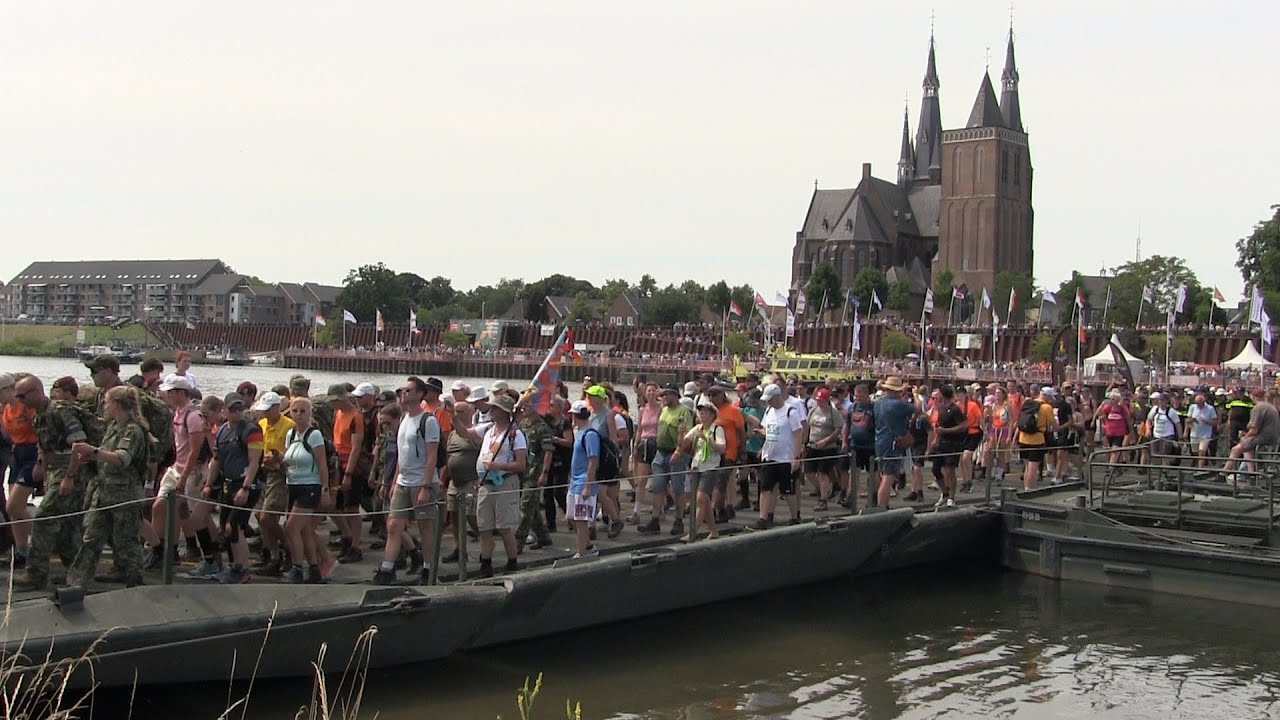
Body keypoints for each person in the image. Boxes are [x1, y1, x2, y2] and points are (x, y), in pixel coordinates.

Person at [65, 385, 149, 588]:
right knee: (91, 537)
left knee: (126, 541)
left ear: (117, 404)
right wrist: (89, 458)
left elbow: (122, 459)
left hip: (124, 495)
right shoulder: (113, 427)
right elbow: (105, 455)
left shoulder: (132, 431)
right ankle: (76, 582)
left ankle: (135, 582)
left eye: (107, 402)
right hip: (103, 493)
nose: (104, 405)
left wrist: (93, 451)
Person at [12, 376, 92, 591]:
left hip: (72, 468)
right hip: (55, 469)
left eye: (23, 395)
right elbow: (44, 443)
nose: (19, 400)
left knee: (44, 518)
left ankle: (36, 573)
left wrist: (70, 477)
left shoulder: (60, 411)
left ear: (37, 391)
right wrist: (41, 465)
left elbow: (79, 444)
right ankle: (75, 570)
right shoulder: (39, 415)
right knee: (65, 524)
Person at [374, 377, 442, 585]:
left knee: (425, 526)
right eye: (403, 390)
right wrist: (394, 481)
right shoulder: (403, 419)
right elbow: (402, 456)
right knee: (394, 524)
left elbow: (432, 456)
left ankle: (428, 568)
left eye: (409, 390)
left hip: (422, 481)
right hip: (404, 480)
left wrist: (425, 486)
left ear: (420, 394)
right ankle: (387, 568)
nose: (404, 393)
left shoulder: (428, 421)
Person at [453, 393, 525, 577]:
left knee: (504, 526)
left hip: (504, 482)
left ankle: (512, 561)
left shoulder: (515, 435)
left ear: (503, 412)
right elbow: (465, 433)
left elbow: (521, 464)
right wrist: (453, 416)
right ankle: (486, 563)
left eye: (494, 408)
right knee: (484, 525)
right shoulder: (488, 429)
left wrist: (498, 465)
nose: (490, 411)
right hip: (485, 483)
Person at [205, 392, 263, 584]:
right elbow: (216, 459)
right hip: (227, 484)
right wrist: (208, 484)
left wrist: (245, 488)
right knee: (225, 528)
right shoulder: (221, 431)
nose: (237, 412)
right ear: (225, 410)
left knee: (234, 526)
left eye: (240, 408)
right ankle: (234, 565)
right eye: (233, 409)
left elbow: (254, 461)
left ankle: (243, 568)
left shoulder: (251, 431)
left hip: (245, 484)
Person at [281, 397, 332, 583]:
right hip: (293, 484)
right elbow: (288, 459)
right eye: (295, 411)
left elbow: (322, 464)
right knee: (304, 530)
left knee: (291, 528)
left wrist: (325, 491)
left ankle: (297, 567)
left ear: (309, 413)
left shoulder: (314, 435)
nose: (298, 415)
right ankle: (314, 568)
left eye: (303, 411)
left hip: (310, 486)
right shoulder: (291, 434)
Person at [749, 383, 804, 530]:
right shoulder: (769, 411)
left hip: (785, 457)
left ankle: (795, 516)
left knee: (787, 490)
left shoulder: (790, 412)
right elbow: (768, 430)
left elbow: (798, 434)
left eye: (770, 399)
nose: (769, 402)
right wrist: (762, 441)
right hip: (770, 455)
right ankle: (763, 518)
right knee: (766, 487)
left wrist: (796, 457)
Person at [640, 384, 693, 536]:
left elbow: (686, 435)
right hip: (661, 452)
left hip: (676, 452)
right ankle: (655, 519)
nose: (663, 397)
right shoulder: (664, 410)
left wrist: (679, 450)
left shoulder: (683, 411)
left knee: (677, 488)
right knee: (657, 487)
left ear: (675, 395)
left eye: (666, 395)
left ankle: (679, 520)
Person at [252, 391, 293, 576]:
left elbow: (292, 455)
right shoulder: (261, 424)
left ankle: (288, 547)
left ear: (278, 408)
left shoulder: (289, 427)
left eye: (269, 410)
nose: (265, 414)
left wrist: (277, 460)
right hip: (264, 472)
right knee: (261, 518)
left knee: (267, 517)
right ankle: (273, 555)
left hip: (280, 475)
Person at [2, 372, 38, 567]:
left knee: (13, 506)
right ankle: (21, 550)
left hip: (32, 453)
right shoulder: (5, 409)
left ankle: (45, 536)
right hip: (17, 453)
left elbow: (41, 431)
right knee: (14, 511)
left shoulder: (26, 408)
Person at [329, 384, 367, 562]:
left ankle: (355, 546)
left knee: (351, 507)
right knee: (334, 505)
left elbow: (356, 448)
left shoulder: (356, 417)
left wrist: (349, 473)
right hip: (337, 461)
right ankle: (346, 536)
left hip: (350, 464)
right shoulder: (338, 413)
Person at [682, 401, 726, 541]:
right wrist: (681, 434)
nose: (701, 414)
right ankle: (713, 531)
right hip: (697, 466)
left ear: (712, 415)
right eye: (700, 412)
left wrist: (707, 439)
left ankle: (693, 532)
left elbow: (721, 448)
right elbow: (683, 443)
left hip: (710, 467)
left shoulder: (717, 429)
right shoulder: (697, 428)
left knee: (700, 499)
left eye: (705, 412)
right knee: (705, 501)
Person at [872, 376, 915, 509]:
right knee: (888, 478)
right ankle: (882, 507)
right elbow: (916, 409)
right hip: (892, 443)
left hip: (879, 441)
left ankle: (884, 505)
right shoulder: (897, 404)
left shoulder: (878, 403)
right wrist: (916, 394)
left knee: (883, 474)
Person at [1222, 388, 1280, 480]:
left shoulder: (1258, 408)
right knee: (1247, 448)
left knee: (1235, 449)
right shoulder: (1271, 407)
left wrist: (1245, 436)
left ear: (1253, 396)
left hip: (1264, 439)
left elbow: (1254, 430)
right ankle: (1251, 473)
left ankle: (1223, 473)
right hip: (1273, 438)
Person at [567, 400, 600, 558]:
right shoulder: (580, 432)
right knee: (571, 517)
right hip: (574, 482)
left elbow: (593, 460)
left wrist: (588, 485)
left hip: (583, 483)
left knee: (581, 520)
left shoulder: (590, 434)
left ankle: (581, 552)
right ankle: (588, 545)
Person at [804, 387, 843, 511]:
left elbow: (837, 429)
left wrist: (826, 440)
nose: (819, 402)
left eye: (821, 400)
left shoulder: (833, 412)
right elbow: (807, 427)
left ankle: (823, 499)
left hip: (827, 447)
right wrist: (803, 443)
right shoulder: (813, 410)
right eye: (817, 400)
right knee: (809, 472)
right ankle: (823, 489)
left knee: (822, 473)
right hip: (813, 444)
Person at [928, 385, 967, 508]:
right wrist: (935, 440)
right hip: (941, 443)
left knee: (949, 470)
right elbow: (939, 427)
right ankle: (944, 492)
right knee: (935, 469)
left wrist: (946, 431)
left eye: (938, 393)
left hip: (953, 444)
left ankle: (951, 497)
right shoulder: (941, 408)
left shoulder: (955, 409)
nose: (936, 396)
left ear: (943, 394)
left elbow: (963, 426)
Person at [629, 382, 661, 524]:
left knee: (658, 480)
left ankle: (659, 510)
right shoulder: (643, 410)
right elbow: (639, 430)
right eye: (648, 391)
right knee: (641, 480)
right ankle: (636, 511)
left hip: (656, 443)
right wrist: (636, 446)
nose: (650, 393)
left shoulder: (662, 408)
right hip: (644, 443)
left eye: (653, 391)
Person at [1016, 386, 1059, 491]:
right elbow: (1054, 426)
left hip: (1023, 438)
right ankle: (1030, 488)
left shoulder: (1028, 404)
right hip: (1037, 439)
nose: (1050, 400)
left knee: (1027, 466)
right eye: (1050, 397)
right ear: (1047, 396)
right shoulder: (1046, 407)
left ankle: (1026, 486)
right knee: (1033, 466)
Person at [844, 383, 875, 506]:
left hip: (870, 445)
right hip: (856, 445)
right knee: (854, 471)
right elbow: (847, 425)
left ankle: (873, 497)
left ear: (867, 394)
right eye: (856, 396)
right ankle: (851, 497)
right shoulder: (852, 407)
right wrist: (844, 441)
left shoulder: (873, 407)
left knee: (872, 473)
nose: (858, 398)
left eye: (860, 396)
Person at [1185, 392, 1219, 467]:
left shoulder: (1210, 408)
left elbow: (1215, 421)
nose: (1198, 405)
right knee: (1195, 452)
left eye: (1200, 403)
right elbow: (1187, 420)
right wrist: (1190, 422)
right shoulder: (1192, 407)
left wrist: (1207, 422)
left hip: (1205, 434)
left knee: (1202, 452)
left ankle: (1200, 468)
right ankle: (1198, 464)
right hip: (1194, 433)